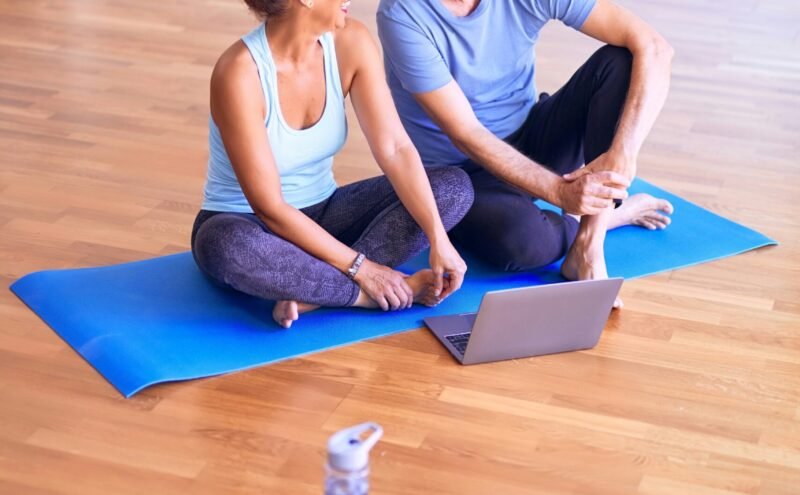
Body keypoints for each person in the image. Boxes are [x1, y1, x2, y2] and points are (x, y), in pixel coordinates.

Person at [192, 0, 475, 328]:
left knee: (452, 187)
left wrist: (440, 239)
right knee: (227, 247)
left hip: (326, 213)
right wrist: (364, 271)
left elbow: (395, 148)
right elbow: (269, 206)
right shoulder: (240, 72)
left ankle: (311, 294)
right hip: (248, 223)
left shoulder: (351, 42)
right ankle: (364, 295)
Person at [377, 0, 676, 307]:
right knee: (526, 244)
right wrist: (559, 193)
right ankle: (610, 216)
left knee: (621, 60)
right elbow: (466, 133)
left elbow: (655, 48)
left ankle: (589, 245)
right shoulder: (402, 13)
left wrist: (624, 151)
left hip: (533, 136)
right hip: (462, 174)